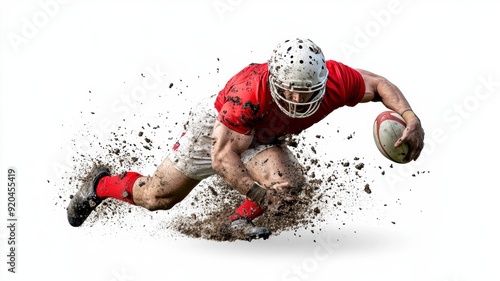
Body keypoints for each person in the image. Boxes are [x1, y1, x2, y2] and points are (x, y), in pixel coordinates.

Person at [67, 38, 425, 241]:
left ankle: (235, 222)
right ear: (274, 81)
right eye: (291, 92)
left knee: (289, 185)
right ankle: (101, 185)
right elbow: (224, 158)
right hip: (217, 131)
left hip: (264, 134)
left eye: (308, 92)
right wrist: (256, 192)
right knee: (156, 198)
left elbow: (378, 84)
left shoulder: (336, 80)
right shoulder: (248, 92)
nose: (299, 102)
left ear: (323, 81)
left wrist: (410, 117)